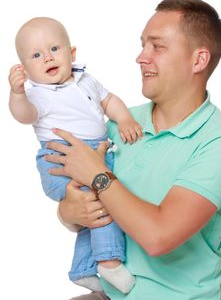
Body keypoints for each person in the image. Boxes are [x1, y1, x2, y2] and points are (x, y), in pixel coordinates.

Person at [45, 0, 221, 300]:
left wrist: (98, 175)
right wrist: (69, 210)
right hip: (112, 293)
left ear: (198, 60)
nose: (141, 57)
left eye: (157, 46)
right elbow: (75, 212)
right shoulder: (121, 123)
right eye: (143, 45)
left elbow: (158, 236)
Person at [8, 17, 143, 294]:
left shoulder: (87, 80)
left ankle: (83, 269)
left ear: (72, 53)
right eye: (36, 55)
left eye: (54, 49)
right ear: (25, 68)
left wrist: (125, 118)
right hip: (61, 159)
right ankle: (109, 261)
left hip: (93, 154)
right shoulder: (39, 94)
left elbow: (110, 101)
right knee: (102, 201)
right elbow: (24, 116)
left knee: (88, 214)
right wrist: (17, 93)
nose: (47, 57)